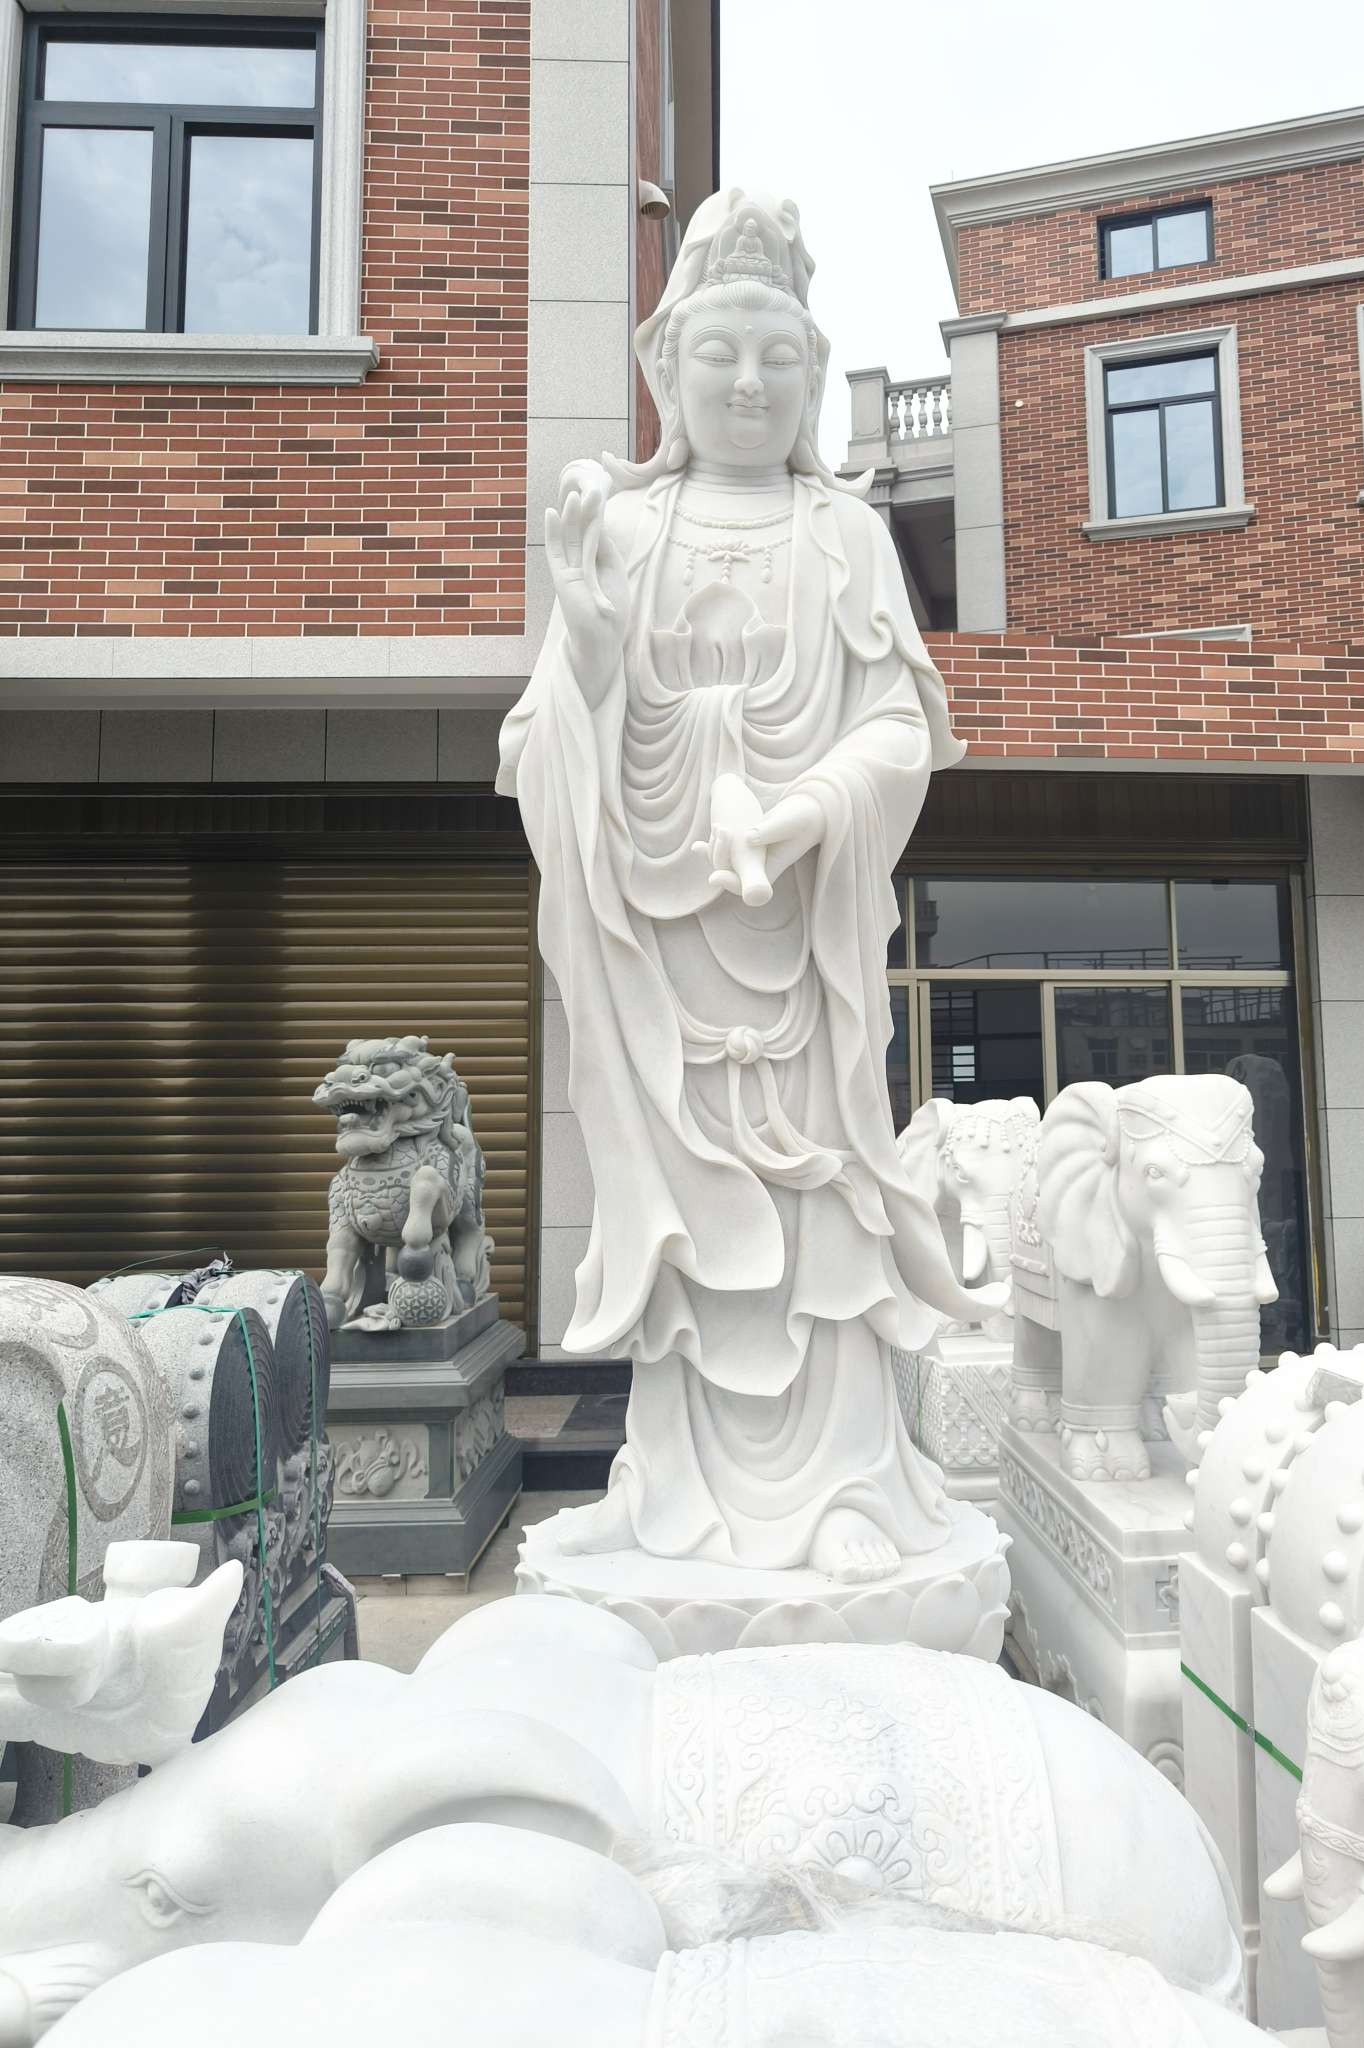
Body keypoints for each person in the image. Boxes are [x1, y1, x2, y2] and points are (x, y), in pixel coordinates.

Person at [497, 191, 996, 1584]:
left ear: (813, 374)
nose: (749, 385)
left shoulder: (844, 533)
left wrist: (800, 812)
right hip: (664, 941)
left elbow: (901, 730)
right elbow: (542, 745)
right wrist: (589, 636)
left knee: (820, 1212)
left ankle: (849, 1488)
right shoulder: (626, 529)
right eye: (719, 354)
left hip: (798, 940)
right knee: (687, 1232)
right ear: (668, 372)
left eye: (779, 358)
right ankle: (678, 1494)